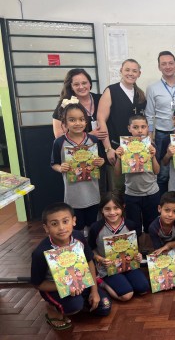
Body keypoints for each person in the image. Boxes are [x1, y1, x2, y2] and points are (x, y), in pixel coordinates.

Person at [30, 203, 111, 331]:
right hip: (54, 287)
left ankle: (79, 301)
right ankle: (52, 309)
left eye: (65, 221)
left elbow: (89, 261)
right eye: (54, 224)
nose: (61, 228)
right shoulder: (40, 252)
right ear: (46, 228)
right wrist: (67, 285)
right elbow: (38, 284)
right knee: (74, 306)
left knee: (104, 306)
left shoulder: (78, 237)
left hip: (81, 282)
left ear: (74, 221)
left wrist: (94, 291)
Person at [50, 102, 105, 234]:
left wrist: (100, 162)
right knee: (77, 228)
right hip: (73, 196)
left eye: (81, 119)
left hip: (93, 193)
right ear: (64, 123)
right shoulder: (59, 142)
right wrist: (60, 168)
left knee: (93, 226)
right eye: (72, 120)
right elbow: (54, 164)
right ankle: (81, 249)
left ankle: (92, 251)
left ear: (86, 122)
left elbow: (101, 160)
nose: (77, 123)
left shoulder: (93, 140)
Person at [145, 51, 175, 195]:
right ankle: (165, 205)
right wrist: (150, 138)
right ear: (159, 67)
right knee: (163, 173)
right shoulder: (152, 88)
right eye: (163, 64)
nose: (167, 66)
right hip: (162, 135)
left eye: (170, 63)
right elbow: (149, 114)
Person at [88, 192, 149, 301]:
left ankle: (124, 281)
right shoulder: (96, 228)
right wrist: (100, 259)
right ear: (102, 210)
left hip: (129, 265)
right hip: (108, 269)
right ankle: (101, 282)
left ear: (123, 207)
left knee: (144, 289)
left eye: (116, 208)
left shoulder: (131, 225)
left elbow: (135, 248)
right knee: (126, 296)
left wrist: (138, 255)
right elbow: (90, 250)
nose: (112, 212)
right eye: (107, 209)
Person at [114, 115, 161, 242]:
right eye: (135, 127)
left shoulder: (151, 146)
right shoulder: (124, 147)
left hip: (151, 192)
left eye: (143, 127)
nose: (140, 131)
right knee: (133, 227)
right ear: (129, 128)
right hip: (131, 194)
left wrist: (153, 156)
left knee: (151, 225)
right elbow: (117, 173)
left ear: (147, 129)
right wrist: (118, 157)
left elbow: (157, 171)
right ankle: (138, 253)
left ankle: (150, 252)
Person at [97, 59, 147, 168]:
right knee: (118, 183)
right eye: (127, 70)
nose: (130, 73)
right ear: (121, 71)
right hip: (116, 147)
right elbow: (101, 120)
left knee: (135, 182)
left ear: (139, 74)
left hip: (137, 149)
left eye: (134, 71)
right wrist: (108, 148)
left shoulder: (141, 94)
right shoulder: (111, 91)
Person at [148, 192, 175, 263]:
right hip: (164, 251)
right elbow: (158, 250)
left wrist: (169, 245)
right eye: (167, 210)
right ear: (159, 209)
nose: (170, 215)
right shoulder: (153, 227)